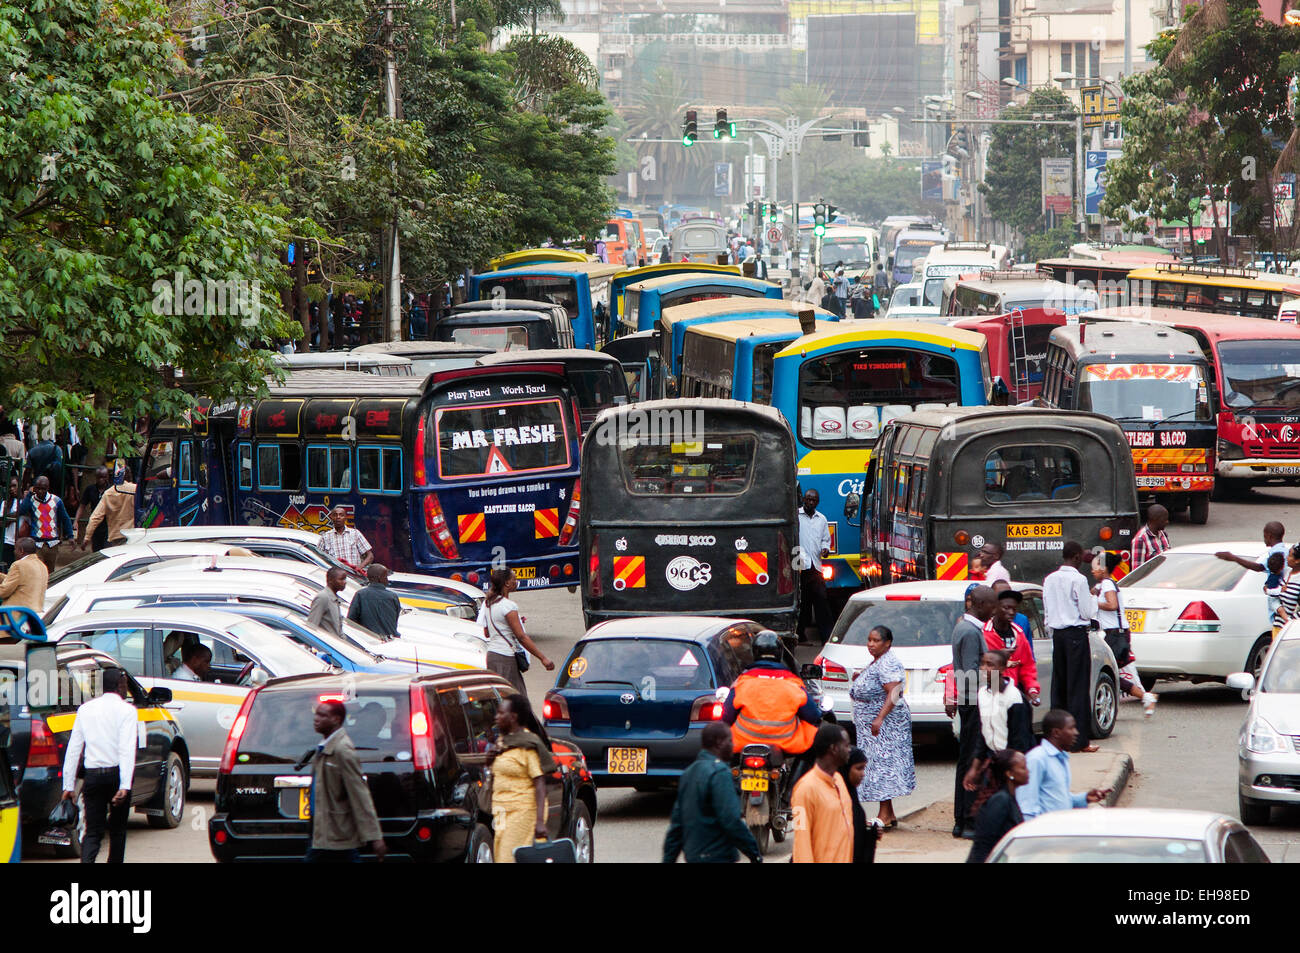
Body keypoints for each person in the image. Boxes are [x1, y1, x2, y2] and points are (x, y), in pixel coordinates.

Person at [60, 668, 137, 863]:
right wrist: (125, 786)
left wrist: (68, 786)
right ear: (119, 686)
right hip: (117, 776)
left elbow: (74, 749)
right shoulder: (127, 711)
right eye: (125, 685)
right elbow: (126, 749)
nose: (126, 689)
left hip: (93, 777)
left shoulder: (85, 709)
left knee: (93, 831)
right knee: (118, 830)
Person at [663, 722, 762, 864]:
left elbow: (676, 826)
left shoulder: (688, 773)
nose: (733, 746)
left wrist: (668, 859)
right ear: (719, 743)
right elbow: (731, 820)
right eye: (730, 741)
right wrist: (754, 854)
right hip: (718, 856)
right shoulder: (720, 773)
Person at [849, 625, 914, 828]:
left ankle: (884, 815)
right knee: (878, 766)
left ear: (887, 643)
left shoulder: (888, 662)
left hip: (885, 726)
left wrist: (879, 718)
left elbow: (894, 692)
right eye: (869, 640)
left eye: (876, 641)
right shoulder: (879, 661)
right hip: (875, 726)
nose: (871, 644)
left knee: (882, 767)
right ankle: (889, 813)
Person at [306, 699, 386, 862]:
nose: (316, 719)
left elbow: (359, 793)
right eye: (316, 714)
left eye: (323, 715)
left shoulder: (342, 749)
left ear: (336, 719)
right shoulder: (324, 746)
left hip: (336, 834)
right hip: (322, 832)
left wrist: (375, 837)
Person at [722, 630, 820, 763]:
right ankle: (798, 781)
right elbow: (812, 715)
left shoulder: (742, 682)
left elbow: (727, 716)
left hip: (742, 744)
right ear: (779, 653)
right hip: (786, 745)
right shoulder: (793, 683)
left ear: (754, 652)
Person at [947, 584, 998, 836]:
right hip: (973, 703)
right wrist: (997, 679)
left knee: (968, 758)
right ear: (980, 605)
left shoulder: (968, 628)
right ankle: (966, 820)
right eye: (992, 605)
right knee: (971, 760)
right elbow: (969, 673)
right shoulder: (969, 631)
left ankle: (963, 819)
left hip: (973, 701)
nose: (994, 610)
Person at [1042, 541, 1098, 753]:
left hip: (1058, 635)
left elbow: (1047, 609)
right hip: (1076, 635)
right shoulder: (1079, 579)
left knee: (1060, 686)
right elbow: (1086, 612)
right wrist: (1093, 600)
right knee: (1078, 688)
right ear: (1075, 557)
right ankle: (1079, 741)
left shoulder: (1049, 579)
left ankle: (1056, 741)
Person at [488, 695, 555, 863]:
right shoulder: (503, 740)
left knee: (507, 858)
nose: (496, 717)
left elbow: (540, 783)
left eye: (501, 713)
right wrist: (490, 759)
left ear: (513, 717)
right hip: (502, 810)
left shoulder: (528, 744)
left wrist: (540, 822)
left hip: (522, 810)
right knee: (500, 854)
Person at [964, 650, 1035, 802]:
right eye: (982, 664)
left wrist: (1007, 769)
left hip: (1011, 763)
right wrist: (975, 768)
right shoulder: (982, 694)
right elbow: (983, 734)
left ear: (1002, 669)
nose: (984, 669)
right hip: (993, 758)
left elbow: (1020, 740)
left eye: (990, 665)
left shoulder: (1014, 697)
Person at [1092, 552, 1157, 716]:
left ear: (1104, 568)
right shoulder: (1104, 584)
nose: (1092, 570)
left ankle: (1145, 697)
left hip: (1114, 635)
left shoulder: (1107, 584)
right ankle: (1147, 698)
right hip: (1118, 633)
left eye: (1095, 567)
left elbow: (1112, 604)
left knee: (1108, 672)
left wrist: (1093, 602)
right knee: (1124, 671)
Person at [1017, 710, 1111, 819]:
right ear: (1056, 733)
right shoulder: (1037, 759)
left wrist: (1084, 798)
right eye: (1071, 728)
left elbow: (1056, 798)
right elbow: (1027, 807)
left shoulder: (1061, 758)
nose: (1076, 732)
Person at [477, 568, 555, 695]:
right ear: (507, 583)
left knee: (500, 697)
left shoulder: (488, 603)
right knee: (517, 699)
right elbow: (521, 637)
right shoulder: (508, 606)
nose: (516, 581)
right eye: (514, 579)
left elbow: (487, 633)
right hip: (505, 658)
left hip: (492, 656)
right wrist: (543, 658)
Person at [790, 723, 854, 863]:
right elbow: (801, 842)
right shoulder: (805, 789)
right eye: (847, 745)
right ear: (834, 749)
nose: (850, 750)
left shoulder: (839, 780)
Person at [966, 749, 1029, 864]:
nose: (1028, 771)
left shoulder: (1010, 798)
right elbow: (984, 843)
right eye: (1023, 768)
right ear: (1009, 774)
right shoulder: (1000, 801)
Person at [985, 587, 1040, 704]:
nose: (1011, 612)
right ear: (995, 608)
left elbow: (1028, 666)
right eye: (1006, 608)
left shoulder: (1019, 634)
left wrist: (1032, 690)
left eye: (1014, 609)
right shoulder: (983, 632)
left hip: (1014, 694)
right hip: (990, 695)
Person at [796, 488, 833, 643]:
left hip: (815, 566)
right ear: (804, 499)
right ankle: (800, 634)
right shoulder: (795, 516)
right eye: (808, 499)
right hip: (798, 566)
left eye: (814, 500)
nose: (810, 502)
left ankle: (827, 637)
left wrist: (825, 548)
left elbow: (825, 540)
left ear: (817, 502)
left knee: (821, 600)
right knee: (803, 602)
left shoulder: (822, 519)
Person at [18, 475, 73, 572]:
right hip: (37, 543)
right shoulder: (31, 500)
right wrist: (29, 494)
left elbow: (65, 518)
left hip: (52, 543)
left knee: (50, 572)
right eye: (37, 488)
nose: (40, 491)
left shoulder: (56, 501)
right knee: (38, 571)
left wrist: (70, 536)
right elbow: (21, 511)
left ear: (47, 488)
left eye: (43, 489)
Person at [839, 748, 880, 863]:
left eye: (864, 768)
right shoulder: (836, 796)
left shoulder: (851, 795)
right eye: (859, 768)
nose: (863, 774)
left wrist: (871, 833)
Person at [80, 474, 137, 550]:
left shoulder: (109, 493)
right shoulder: (136, 490)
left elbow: (95, 517)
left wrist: (87, 538)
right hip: (134, 534)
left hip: (116, 536)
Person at [347, 564, 403, 638]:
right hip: (389, 640)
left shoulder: (360, 595)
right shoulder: (392, 597)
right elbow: (394, 620)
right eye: (386, 577)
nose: (387, 580)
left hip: (367, 639)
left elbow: (351, 621)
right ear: (380, 578)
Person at [1217, 520, 1287, 574]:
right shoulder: (1285, 550)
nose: (1264, 539)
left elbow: (1260, 567)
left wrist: (1234, 558)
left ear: (1269, 536)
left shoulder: (1277, 552)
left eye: (1264, 536)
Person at [319, 505, 373, 571]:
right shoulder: (325, 537)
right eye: (335, 515)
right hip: (336, 577)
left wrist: (359, 568)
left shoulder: (355, 533)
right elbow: (318, 557)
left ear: (345, 518)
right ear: (331, 518)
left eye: (341, 515)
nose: (338, 517)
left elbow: (370, 556)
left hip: (354, 576)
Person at [0, 537, 48, 611]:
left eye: (15, 549)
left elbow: (4, 591)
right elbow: (23, 581)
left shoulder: (19, 565)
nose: (14, 552)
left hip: (16, 614)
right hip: (35, 614)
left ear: (21, 550)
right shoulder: (42, 566)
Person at [74, 467, 110, 552]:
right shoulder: (90, 489)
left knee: (107, 549)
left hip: (108, 524)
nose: (101, 480)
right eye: (99, 477)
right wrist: (76, 520)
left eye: (103, 477)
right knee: (96, 549)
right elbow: (82, 505)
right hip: (96, 524)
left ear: (107, 477)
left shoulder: (111, 490)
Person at [306, 566, 347, 637]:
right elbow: (312, 625)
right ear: (330, 580)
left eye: (345, 579)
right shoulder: (323, 597)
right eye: (341, 579)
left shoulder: (334, 598)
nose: (344, 582)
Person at [1130, 503, 1170, 569]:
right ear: (1155, 519)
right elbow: (1138, 571)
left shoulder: (1163, 534)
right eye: (1165, 519)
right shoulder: (1140, 540)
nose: (1167, 522)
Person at [1265, 550, 1286, 627]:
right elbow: (1269, 591)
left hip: (1276, 599)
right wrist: (1280, 590)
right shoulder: (1274, 578)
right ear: (1282, 567)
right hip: (1273, 600)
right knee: (1280, 610)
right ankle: (1288, 621)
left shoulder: (1275, 575)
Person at [2, 476, 19, 567]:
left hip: (21, 542)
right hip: (8, 541)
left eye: (14, 486)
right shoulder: (5, 503)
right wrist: (17, 513)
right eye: (10, 487)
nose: (12, 489)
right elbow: (2, 522)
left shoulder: (25, 501)